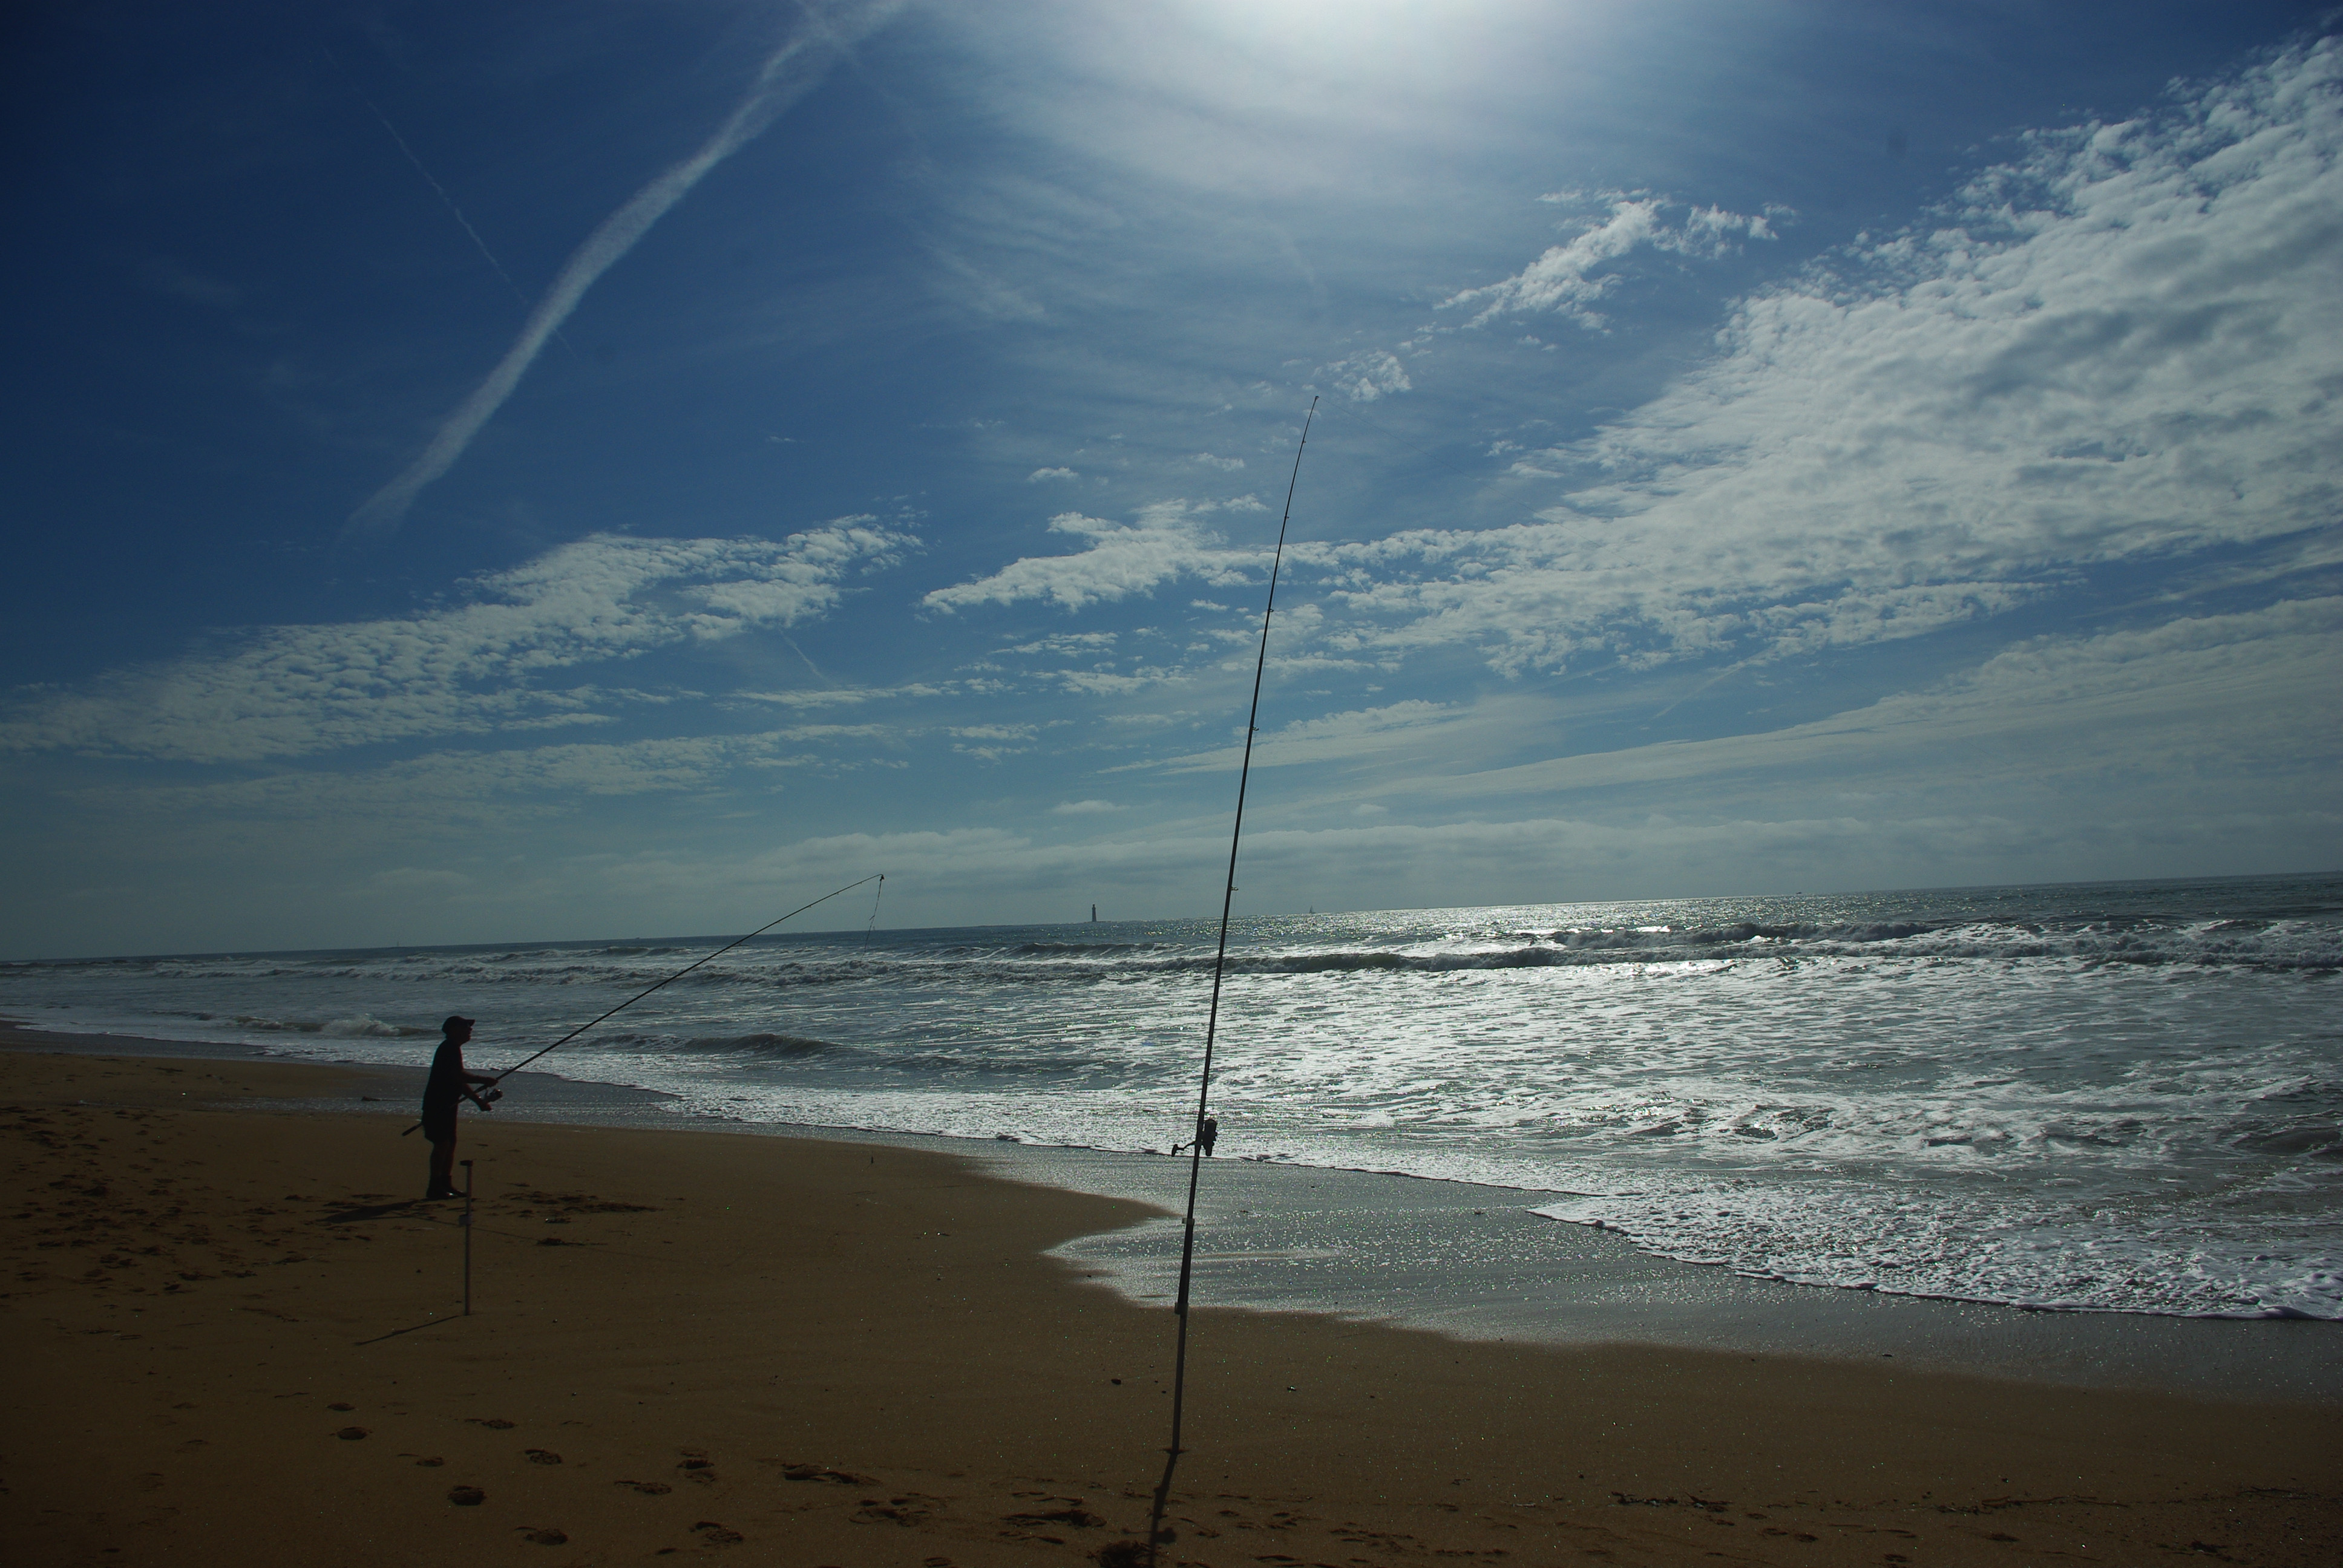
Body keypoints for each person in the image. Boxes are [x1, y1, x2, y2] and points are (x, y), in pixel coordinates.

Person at [422, 1015, 499, 1200]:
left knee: (450, 1143)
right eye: (466, 1026)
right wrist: (483, 1080)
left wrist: (479, 1101)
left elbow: (458, 1083)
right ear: (455, 1029)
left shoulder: (452, 1049)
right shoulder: (449, 1048)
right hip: (437, 1105)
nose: (470, 1030)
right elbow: (458, 1075)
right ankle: (435, 1187)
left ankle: (445, 1184)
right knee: (442, 1144)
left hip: (447, 1105)